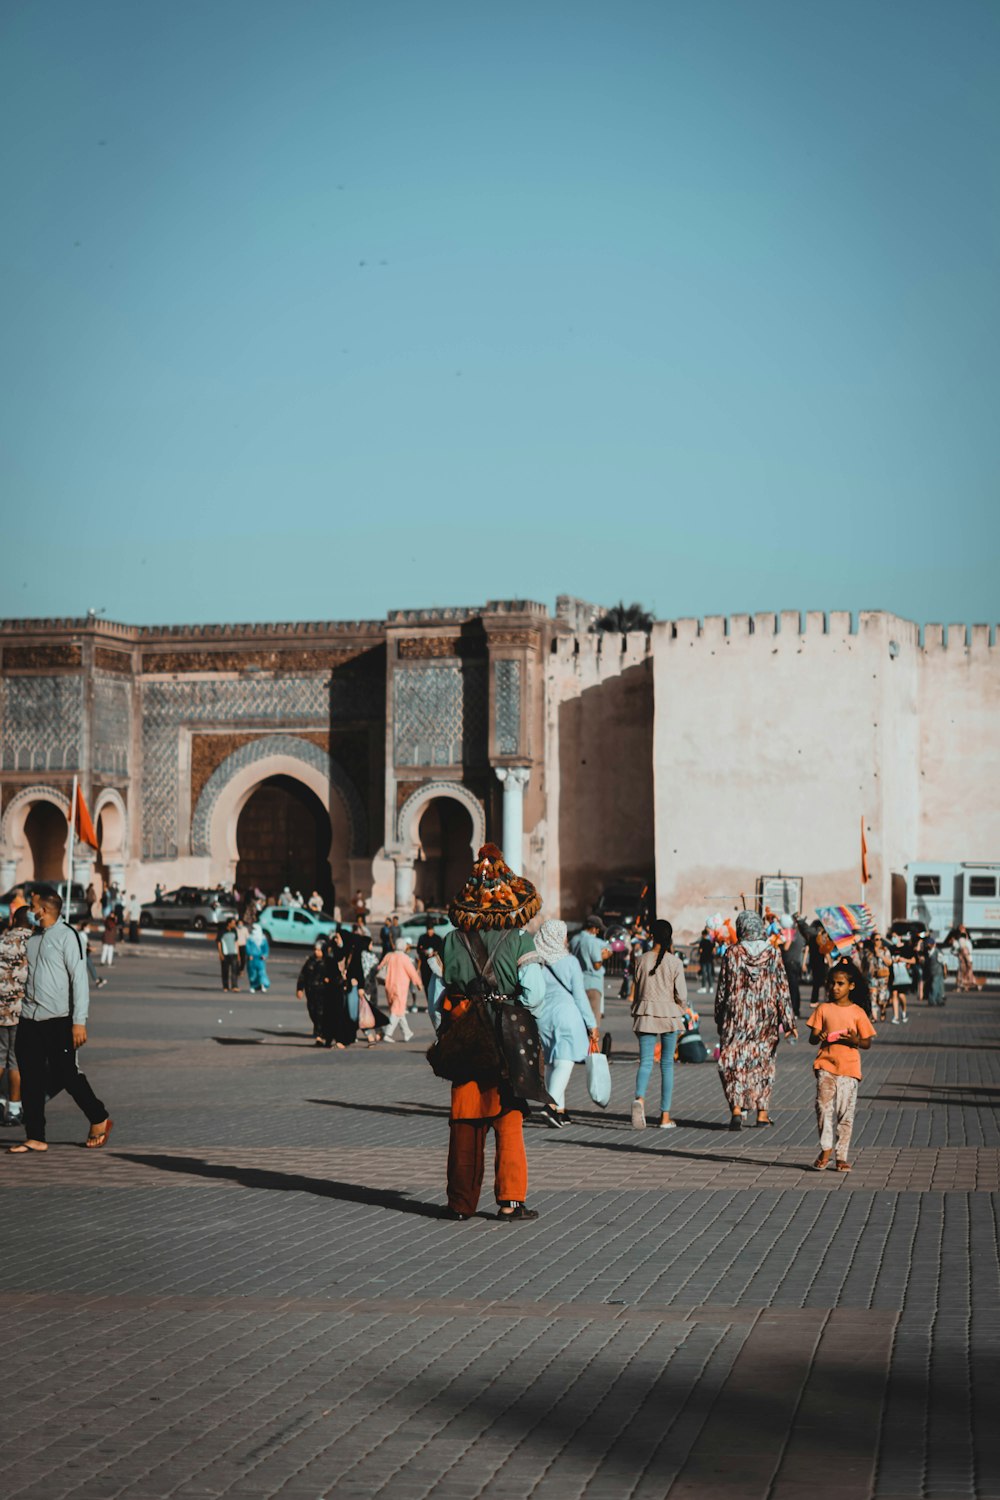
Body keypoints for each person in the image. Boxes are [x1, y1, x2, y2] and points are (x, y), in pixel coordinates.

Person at [438, 843, 546, 1222]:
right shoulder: (519, 940)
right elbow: (534, 994)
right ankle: (509, 1200)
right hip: (504, 1038)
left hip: (466, 1031)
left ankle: (460, 1203)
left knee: (465, 1120)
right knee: (509, 1117)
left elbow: (444, 984)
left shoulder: (452, 940)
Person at [8, 890, 112, 1154]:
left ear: (43, 910)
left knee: (67, 1074)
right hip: (29, 1018)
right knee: (31, 1077)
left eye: (32, 906)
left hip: (59, 1021)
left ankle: (98, 1117)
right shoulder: (33, 937)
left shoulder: (68, 937)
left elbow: (79, 981)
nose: (30, 910)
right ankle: (35, 1136)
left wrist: (79, 1021)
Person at [715, 910, 797, 1130]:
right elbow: (782, 989)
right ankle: (762, 1113)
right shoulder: (773, 953)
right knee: (763, 1063)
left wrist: (718, 1016)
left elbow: (723, 988)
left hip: (736, 1018)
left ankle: (736, 1109)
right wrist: (789, 1022)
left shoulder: (732, 953)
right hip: (766, 1019)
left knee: (734, 1063)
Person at [518, 918, 597, 1128]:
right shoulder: (570, 961)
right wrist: (592, 1023)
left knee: (552, 1061)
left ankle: (560, 1111)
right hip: (566, 1014)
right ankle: (550, 1106)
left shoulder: (534, 960)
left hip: (543, 1016)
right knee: (566, 1061)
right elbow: (580, 996)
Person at [809, 958, 876, 1172]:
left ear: (851, 986)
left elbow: (866, 1042)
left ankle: (841, 1155)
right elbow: (812, 1037)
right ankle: (826, 1148)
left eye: (840, 984)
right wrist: (818, 1035)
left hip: (849, 1069)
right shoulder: (823, 1009)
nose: (835, 988)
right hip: (826, 1066)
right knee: (823, 1107)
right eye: (832, 983)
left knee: (845, 1113)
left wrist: (854, 1040)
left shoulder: (857, 1012)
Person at [629, 919, 689, 1130]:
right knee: (667, 1065)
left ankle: (640, 1099)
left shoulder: (641, 960)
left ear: (651, 935)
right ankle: (665, 1116)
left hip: (645, 1014)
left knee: (645, 1062)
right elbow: (681, 994)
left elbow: (636, 989)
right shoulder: (675, 962)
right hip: (669, 1015)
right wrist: (681, 1009)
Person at [0, 907, 31, 1127]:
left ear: (14, 919)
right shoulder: (34, 942)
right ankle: (14, 1108)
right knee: (16, 1060)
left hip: (0, 1010)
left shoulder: (1, 940)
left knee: (0, 1057)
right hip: (23, 1012)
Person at [297, 942, 354, 1048]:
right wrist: (300, 988)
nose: (316, 952)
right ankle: (320, 1034)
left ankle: (319, 1036)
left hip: (324, 993)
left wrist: (331, 980)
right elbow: (303, 975)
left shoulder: (328, 962)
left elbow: (336, 976)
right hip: (311, 992)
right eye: (315, 949)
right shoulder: (310, 961)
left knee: (321, 1014)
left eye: (318, 950)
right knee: (312, 1012)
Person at [377, 940, 423, 1041]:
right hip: (400, 987)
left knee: (399, 1011)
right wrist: (419, 984)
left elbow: (380, 967)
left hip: (389, 986)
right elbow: (412, 973)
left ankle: (407, 1033)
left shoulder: (389, 955)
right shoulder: (405, 958)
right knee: (396, 1010)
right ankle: (388, 1034)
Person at [570, 916, 611, 1020]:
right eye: (597, 929)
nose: (597, 932)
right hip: (592, 984)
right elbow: (596, 965)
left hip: (578, 982)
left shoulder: (574, 939)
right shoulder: (592, 941)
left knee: (580, 1019)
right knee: (593, 1020)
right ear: (593, 928)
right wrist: (602, 956)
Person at [863, 930, 893, 1022]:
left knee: (881, 999)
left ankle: (883, 1010)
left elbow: (889, 962)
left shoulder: (885, 950)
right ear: (872, 941)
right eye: (876, 939)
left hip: (883, 978)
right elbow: (865, 965)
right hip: (872, 978)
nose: (879, 941)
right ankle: (874, 1016)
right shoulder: (868, 952)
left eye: (880, 939)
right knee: (873, 997)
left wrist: (880, 955)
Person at [887, 926, 915, 1023]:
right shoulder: (891, 948)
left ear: (899, 937)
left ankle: (904, 1011)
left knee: (901, 995)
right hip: (893, 974)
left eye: (894, 936)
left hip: (903, 975)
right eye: (892, 937)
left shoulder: (907, 948)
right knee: (894, 994)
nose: (893, 938)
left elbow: (914, 960)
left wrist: (904, 960)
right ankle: (896, 1016)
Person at [782, 921, 805, 1021]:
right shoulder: (801, 936)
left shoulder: (792, 934)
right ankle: (796, 1010)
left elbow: (786, 946)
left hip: (790, 963)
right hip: (796, 963)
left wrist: (781, 946)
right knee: (795, 987)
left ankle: (794, 1010)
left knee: (792, 988)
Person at [955, 926, 984, 993]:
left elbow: (964, 951)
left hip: (965, 960)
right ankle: (966, 987)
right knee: (967, 975)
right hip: (967, 960)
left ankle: (972, 985)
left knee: (964, 975)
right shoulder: (967, 942)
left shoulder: (962, 940)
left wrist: (966, 961)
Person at [245, 923, 270, 992]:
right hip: (252, 959)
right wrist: (249, 955)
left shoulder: (263, 939)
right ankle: (253, 986)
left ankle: (264, 985)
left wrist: (264, 955)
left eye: (254, 929)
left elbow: (266, 949)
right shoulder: (250, 938)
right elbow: (248, 948)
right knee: (252, 973)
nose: (253, 930)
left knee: (262, 973)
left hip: (260, 959)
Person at [216, 919, 240, 992]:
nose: (234, 925)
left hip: (234, 953)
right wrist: (220, 954)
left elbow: (236, 942)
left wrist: (238, 953)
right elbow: (219, 943)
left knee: (234, 971)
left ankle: (234, 986)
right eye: (233, 923)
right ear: (228, 924)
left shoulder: (234, 931)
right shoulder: (222, 931)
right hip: (225, 954)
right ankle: (225, 986)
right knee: (225, 971)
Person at [924, 937, 946, 1006]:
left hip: (937, 971)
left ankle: (932, 1000)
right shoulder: (928, 952)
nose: (928, 945)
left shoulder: (937, 952)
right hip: (931, 972)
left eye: (929, 944)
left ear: (933, 944)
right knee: (938, 986)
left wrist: (945, 970)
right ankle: (939, 1000)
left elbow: (943, 962)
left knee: (934, 986)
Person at [697, 927, 715, 994]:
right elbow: (713, 951)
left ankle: (703, 987)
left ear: (703, 935)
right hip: (709, 959)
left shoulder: (702, 942)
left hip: (703, 959)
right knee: (709, 973)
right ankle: (711, 988)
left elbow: (700, 951)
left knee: (704, 973)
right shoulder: (710, 942)